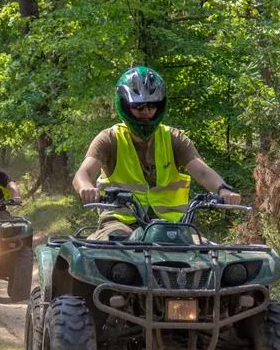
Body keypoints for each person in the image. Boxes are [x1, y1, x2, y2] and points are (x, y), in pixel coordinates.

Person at [72, 66, 241, 240]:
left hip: (173, 226)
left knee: (206, 253)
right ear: (124, 104)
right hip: (120, 223)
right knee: (111, 254)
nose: (146, 111)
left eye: (152, 106)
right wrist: (86, 187)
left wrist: (223, 190)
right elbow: (83, 173)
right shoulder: (109, 139)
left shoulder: (174, 138)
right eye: (138, 106)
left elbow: (202, 171)